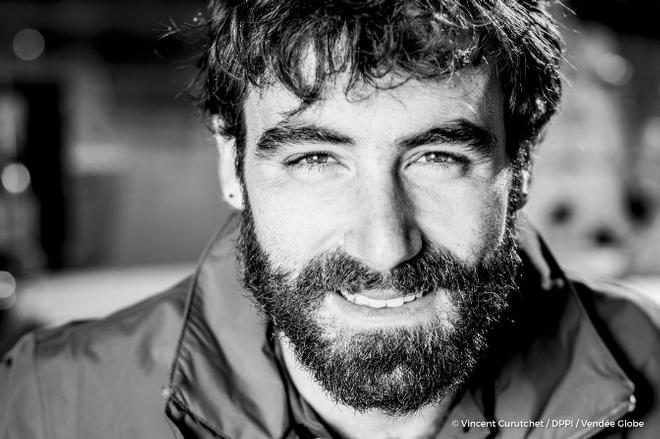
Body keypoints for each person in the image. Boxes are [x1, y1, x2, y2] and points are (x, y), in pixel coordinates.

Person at [2, 1, 659, 438]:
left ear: (519, 168)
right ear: (233, 165)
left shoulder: (652, 379)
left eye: (436, 156)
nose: (383, 247)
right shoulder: (50, 405)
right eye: (316, 158)